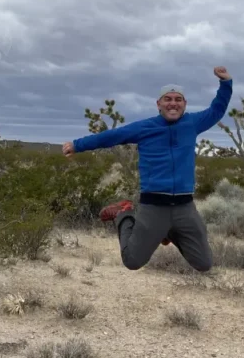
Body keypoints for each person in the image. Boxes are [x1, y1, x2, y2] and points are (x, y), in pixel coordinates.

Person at [62, 67, 233, 272]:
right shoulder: (145, 127)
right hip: (153, 206)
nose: (173, 103)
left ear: (184, 104)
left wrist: (226, 83)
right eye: (167, 99)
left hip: (184, 207)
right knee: (132, 261)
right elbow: (111, 137)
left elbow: (217, 109)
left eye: (178, 99)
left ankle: (169, 232)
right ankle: (123, 214)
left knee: (204, 264)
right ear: (159, 104)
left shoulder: (193, 123)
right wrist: (77, 145)